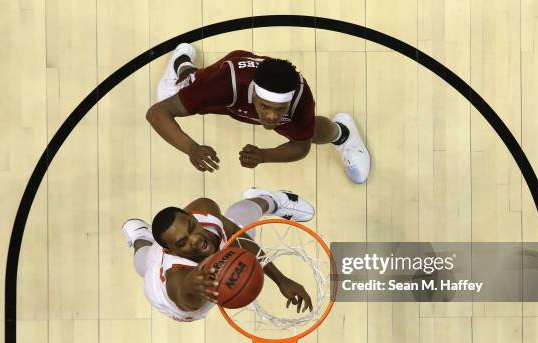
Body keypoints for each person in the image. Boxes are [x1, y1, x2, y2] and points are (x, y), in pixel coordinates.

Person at [146, 43, 371, 184]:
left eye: (279, 108)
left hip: (246, 95)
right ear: (253, 94)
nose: (272, 117)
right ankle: (181, 61)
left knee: (308, 130)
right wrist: (192, 148)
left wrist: (264, 155)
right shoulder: (222, 85)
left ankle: (343, 133)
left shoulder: (300, 98)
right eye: (265, 107)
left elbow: (301, 147)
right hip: (228, 91)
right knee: (185, 88)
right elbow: (157, 114)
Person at [122, 187, 315, 322]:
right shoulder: (176, 278)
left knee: (239, 225)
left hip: (203, 255)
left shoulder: (204, 209)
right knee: (144, 262)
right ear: (171, 250)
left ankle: (271, 200)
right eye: (183, 242)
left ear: (192, 216)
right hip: (169, 291)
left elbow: (239, 238)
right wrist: (194, 282)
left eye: (191, 227)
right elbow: (183, 292)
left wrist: (281, 279)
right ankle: (140, 235)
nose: (195, 239)